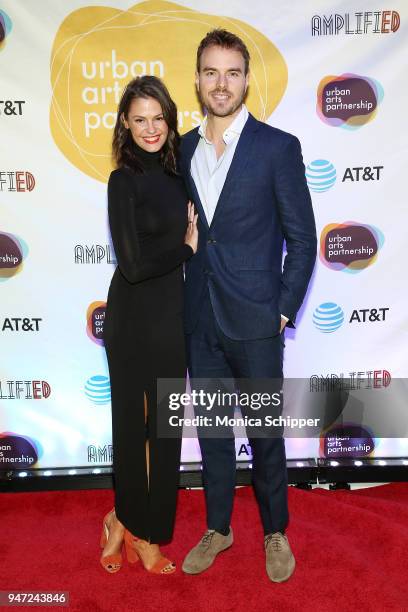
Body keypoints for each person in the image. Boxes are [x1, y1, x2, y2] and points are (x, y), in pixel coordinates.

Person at [180, 29, 317, 582]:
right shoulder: (181, 148)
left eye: (232, 73)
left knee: (265, 435)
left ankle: (275, 531)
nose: (221, 83)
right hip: (200, 319)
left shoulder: (276, 147)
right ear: (197, 79)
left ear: (246, 80)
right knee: (212, 432)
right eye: (211, 72)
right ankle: (219, 526)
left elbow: (303, 239)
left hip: (257, 320)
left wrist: (281, 310)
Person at [101, 75, 198, 575]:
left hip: (171, 319)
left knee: (164, 433)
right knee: (131, 429)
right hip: (132, 320)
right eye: (139, 119)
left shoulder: (183, 176)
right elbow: (133, 266)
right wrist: (184, 247)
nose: (150, 128)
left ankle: (135, 525)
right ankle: (136, 531)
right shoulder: (123, 181)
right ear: (125, 123)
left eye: (157, 117)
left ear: (169, 117)